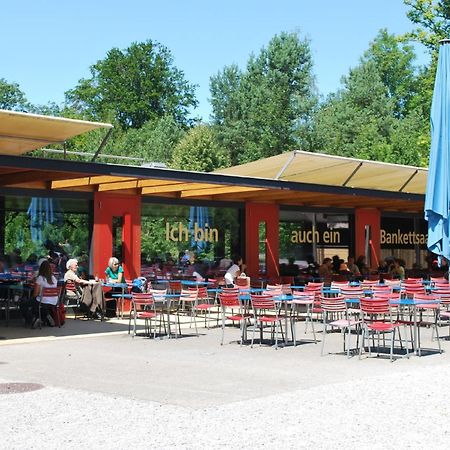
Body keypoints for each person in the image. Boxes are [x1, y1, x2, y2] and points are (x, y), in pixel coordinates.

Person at [31, 260, 59, 328]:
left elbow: (35, 294)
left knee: (25, 303)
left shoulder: (40, 278)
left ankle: (35, 318)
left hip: (43, 301)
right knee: (41, 305)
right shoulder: (54, 278)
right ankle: (45, 316)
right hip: (54, 301)